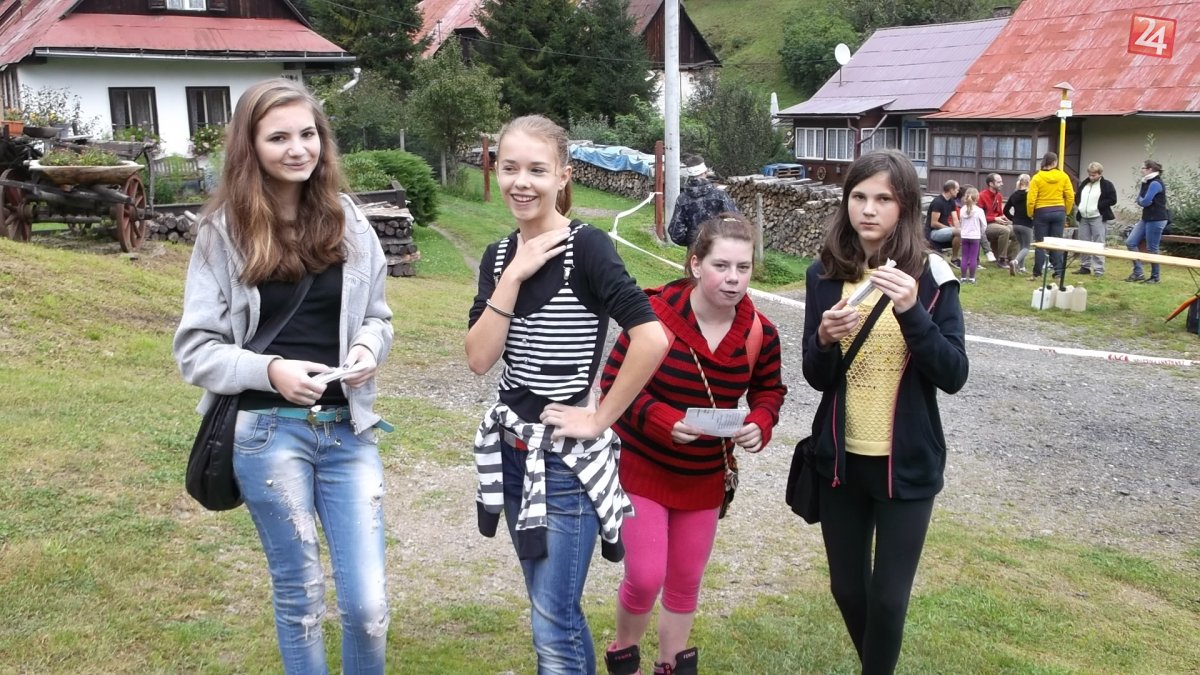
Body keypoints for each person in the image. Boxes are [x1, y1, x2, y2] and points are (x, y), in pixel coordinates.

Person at [173, 78, 394, 674]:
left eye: (308, 134)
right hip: (266, 434)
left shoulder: (350, 221)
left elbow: (377, 317)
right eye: (278, 138)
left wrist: (368, 346)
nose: (298, 149)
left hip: (347, 431)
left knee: (368, 606)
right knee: (301, 599)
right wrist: (270, 370)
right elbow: (194, 351)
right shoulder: (223, 232)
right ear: (250, 147)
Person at [466, 114, 669, 675]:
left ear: (563, 175)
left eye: (537, 169)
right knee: (547, 609)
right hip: (513, 453)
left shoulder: (588, 249)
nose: (521, 182)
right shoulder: (498, 257)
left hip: (564, 465)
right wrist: (513, 276)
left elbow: (652, 338)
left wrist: (600, 419)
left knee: (552, 618)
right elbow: (479, 358)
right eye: (509, 168)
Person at [802, 149, 968, 674]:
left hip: (907, 463)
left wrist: (911, 311)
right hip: (840, 462)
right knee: (848, 590)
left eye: (883, 199)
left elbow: (953, 374)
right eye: (858, 197)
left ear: (906, 207)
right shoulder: (823, 275)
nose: (868, 210)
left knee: (889, 599)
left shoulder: (932, 276)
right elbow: (817, 377)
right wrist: (823, 339)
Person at [600, 213, 788, 675]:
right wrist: (663, 419)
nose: (733, 278)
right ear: (695, 264)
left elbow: (769, 390)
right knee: (646, 576)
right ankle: (625, 656)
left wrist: (761, 421)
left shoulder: (760, 333)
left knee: (685, 581)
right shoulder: (652, 317)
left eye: (743, 268)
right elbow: (611, 386)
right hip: (643, 467)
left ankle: (671, 665)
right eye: (721, 266)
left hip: (704, 476)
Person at [667, 153, 740, 247]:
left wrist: (693, 242)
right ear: (705, 172)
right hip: (718, 249)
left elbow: (675, 233)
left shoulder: (682, 199)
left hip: (695, 250)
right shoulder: (720, 195)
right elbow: (736, 222)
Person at [1026, 152, 1075, 281]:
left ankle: (1037, 273)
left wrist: (1031, 213)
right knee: (1056, 242)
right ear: (1055, 162)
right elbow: (1070, 196)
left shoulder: (1037, 178)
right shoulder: (1063, 176)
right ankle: (1058, 273)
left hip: (1041, 211)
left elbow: (1031, 199)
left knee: (1041, 243)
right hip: (1059, 211)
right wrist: (1066, 211)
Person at [1125, 159, 1169, 284]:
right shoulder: (1146, 182)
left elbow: (1144, 201)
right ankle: (1138, 273)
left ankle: (1155, 277)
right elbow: (1141, 200)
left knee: (1152, 248)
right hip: (1146, 218)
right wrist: (1142, 200)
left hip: (1157, 219)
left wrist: (1142, 200)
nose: (1141, 170)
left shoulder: (1155, 183)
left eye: (1143, 168)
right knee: (1130, 242)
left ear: (1150, 169)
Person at [1073, 161, 1117, 277]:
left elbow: (1113, 199)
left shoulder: (1106, 185)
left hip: (1098, 217)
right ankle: (1085, 266)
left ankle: (1098, 269)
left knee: (1098, 242)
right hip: (1084, 217)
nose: (1091, 177)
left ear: (1100, 174)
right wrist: (1080, 205)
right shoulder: (1085, 184)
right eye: (1090, 175)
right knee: (1084, 242)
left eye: (1094, 175)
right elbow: (1078, 196)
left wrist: (1098, 206)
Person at [978, 173, 1018, 273]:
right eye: (999, 182)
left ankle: (1010, 258)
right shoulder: (981, 196)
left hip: (996, 223)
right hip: (985, 226)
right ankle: (1001, 260)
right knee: (1005, 230)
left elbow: (1000, 213)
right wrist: (994, 218)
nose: (1002, 184)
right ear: (991, 184)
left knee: (1017, 230)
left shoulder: (999, 196)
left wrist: (1003, 218)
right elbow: (978, 217)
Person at [1004, 174, 1035, 276]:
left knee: (1022, 246)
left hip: (1016, 225)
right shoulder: (1030, 194)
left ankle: (1022, 268)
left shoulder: (1014, 194)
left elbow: (1005, 210)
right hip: (1027, 224)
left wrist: (1013, 219)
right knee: (1026, 247)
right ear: (1029, 182)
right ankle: (1015, 262)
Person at [925, 180, 960, 266]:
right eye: (957, 189)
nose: (958, 191)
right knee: (958, 232)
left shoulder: (951, 202)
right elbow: (934, 223)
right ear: (951, 190)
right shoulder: (938, 202)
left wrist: (958, 228)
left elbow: (955, 219)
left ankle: (956, 259)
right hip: (933, 232)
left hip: (944, 231)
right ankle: (955, 259)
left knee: (960, 232)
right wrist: (951, 229)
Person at [957, 186, 986, 284]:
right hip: (975, 237)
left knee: (964, 257)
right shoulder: (979, 211)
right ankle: (972, 278)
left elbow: (961, 222)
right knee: (973, 257)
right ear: (977, 197)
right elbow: (984, 225)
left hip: (964, 236)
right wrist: (981, 233)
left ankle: (963, 278)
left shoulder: (962, 209)